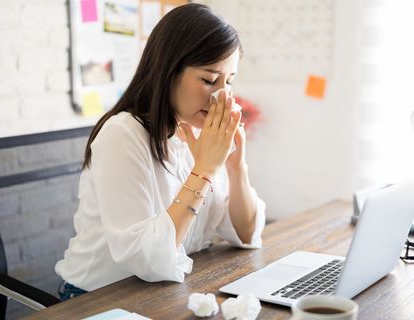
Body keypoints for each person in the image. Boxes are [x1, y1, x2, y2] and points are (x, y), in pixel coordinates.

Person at [55, 3, 266, 300]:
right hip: (98, 299)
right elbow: (146, 260)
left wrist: (235, 165)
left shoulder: (196, 130)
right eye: (208, 79)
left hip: (166, 294)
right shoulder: (122, 135)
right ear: (168, 71)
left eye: (229, 81)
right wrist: (203, 171)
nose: (222, 95)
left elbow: (245, 233)